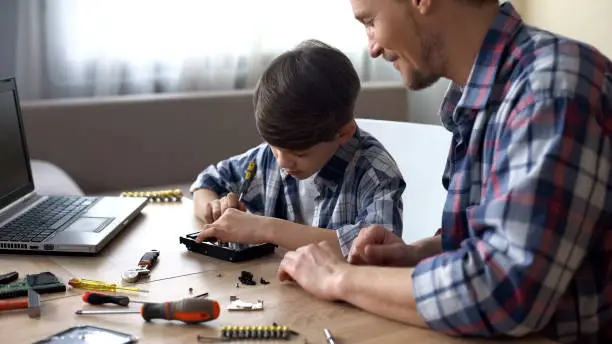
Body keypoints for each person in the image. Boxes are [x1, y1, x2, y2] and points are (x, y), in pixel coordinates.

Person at [277, 1, 612, 343]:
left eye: (370, 21)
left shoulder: (552, 89)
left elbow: (505, 291)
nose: (373, 47)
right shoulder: (485, 95)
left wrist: (338, 277)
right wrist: (419, 253)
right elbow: (494, 241)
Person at [190, 39, 405, 257]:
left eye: (300, 153)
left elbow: (376, 249)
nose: (283, 163)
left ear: (343, 133)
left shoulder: (376, 173)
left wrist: (264, 228)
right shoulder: (270, 158)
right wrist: (215, 208)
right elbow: (207, 182)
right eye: (275, 147)